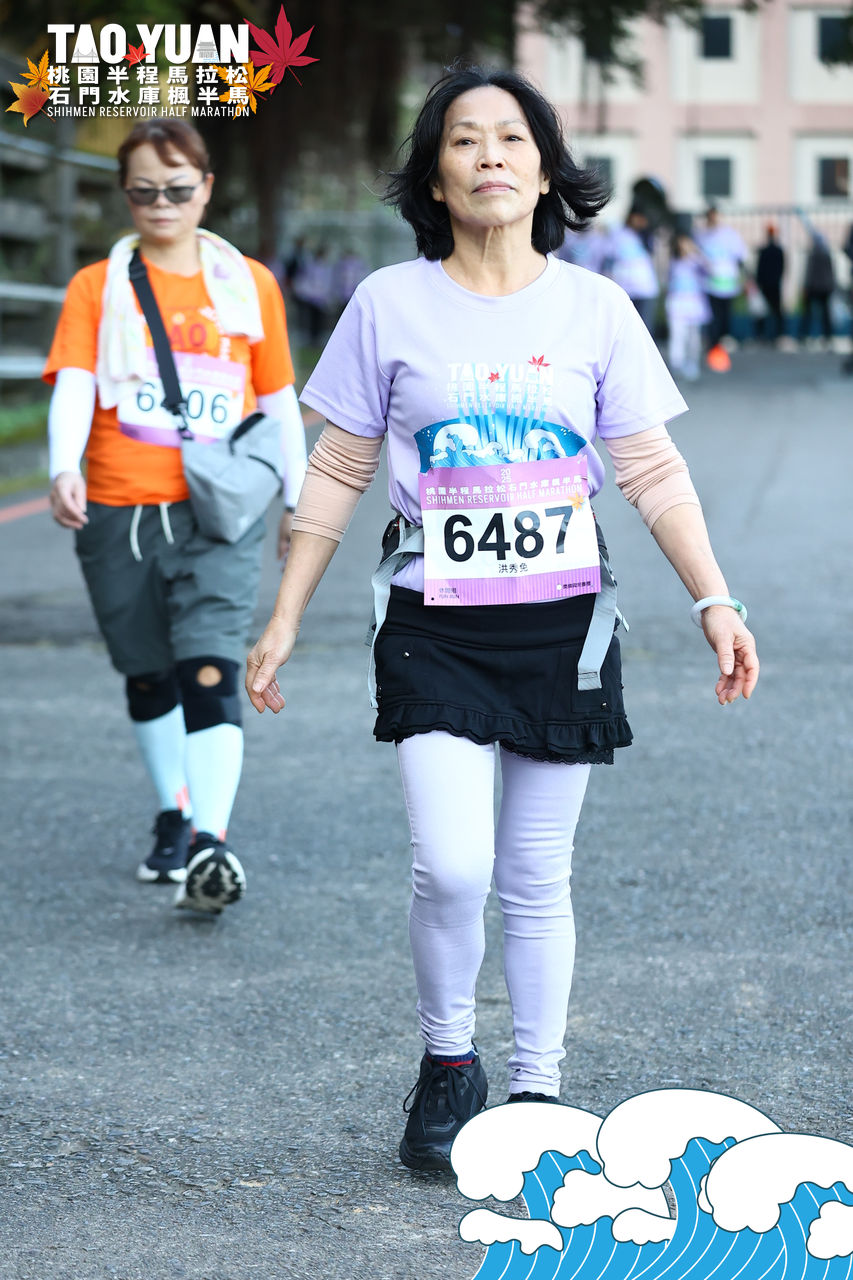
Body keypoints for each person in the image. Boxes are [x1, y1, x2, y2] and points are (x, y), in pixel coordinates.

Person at [246, 66, 759, 1170]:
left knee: (534, 873)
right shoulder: (388, 303)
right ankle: (448, 1060)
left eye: (512, 138)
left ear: (544, 169)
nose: (489, 154)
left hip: (562, 626)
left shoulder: (595, 308)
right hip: (434, 620)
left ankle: (536, 1089)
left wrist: (712, 597)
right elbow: (336, 467)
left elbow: (650, 470)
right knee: (451, 866)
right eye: (464, 139)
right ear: (435, 175)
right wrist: (283, 616)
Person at [45, 118, 307, 914]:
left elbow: (277, 401)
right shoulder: (98, 286)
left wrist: (298, 500)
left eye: (177, 188)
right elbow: (75, 382)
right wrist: (62, 465)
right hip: (118, 506)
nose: (161, 204)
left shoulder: (248, 284)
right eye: (143, 191)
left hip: (219, 508)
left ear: (206, 189)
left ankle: (208, 842)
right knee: (148, 669)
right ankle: (174, 809)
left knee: (210, 663)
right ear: (126, 195)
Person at [695, 206, 747, 364]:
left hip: (727, 284)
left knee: (725, 315)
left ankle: (721, 344)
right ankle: (713, 345)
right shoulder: (701, 235)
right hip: (709, 284)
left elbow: (740, 256)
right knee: (713, 316)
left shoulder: (729, 234)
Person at [602, 206, 659, 332]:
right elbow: (608, 260)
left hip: (645, 290)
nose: (641, 222)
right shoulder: (617, 234)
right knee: (626, 329)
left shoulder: (645, 236)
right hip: (625, 290)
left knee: (644, 330)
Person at [666, 233, 710, 380]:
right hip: (677, 303)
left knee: (693, 337)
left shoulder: (697, 262)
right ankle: (676, 363)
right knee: (677, 335)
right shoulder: (674, 263)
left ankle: (692, 363)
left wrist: (696, 254)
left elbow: (709, 270)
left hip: (694, 303)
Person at [799, 233, 836, 346]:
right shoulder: (826, 254)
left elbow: (809, 272)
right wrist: (831, 286)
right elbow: (831, 272)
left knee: (809, 313)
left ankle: (804, 335)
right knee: (825, 314)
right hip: (824, 288)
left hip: (814, 287)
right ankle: (827, 336)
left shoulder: (813, 254)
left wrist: (806, 286)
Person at [754, 224, 785, 344]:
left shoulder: (767, 251)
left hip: (768, 284)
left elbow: (760, 269)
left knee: (769, 311)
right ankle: (775, 334)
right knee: (768, 311)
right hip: (772, 284)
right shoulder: (775, 250)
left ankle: (766, 334)